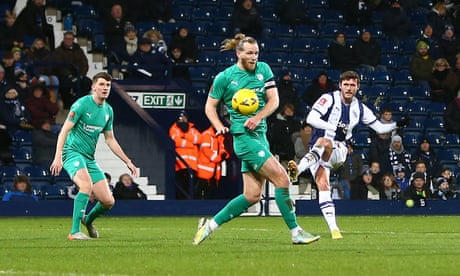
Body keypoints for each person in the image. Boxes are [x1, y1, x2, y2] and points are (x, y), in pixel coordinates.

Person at [193, 33, 320, 245]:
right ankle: (296, 232)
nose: (254, 57)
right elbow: (210, 106)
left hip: (260, 136)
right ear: (238, 53)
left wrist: (257, 117)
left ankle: (209, 226)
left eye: (257, 53)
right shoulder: (225, 77)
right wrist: (218, 126)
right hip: (244, 139)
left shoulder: (264, 70)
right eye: (250, 53)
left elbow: (274, 101)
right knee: (282, 179)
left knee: (252, 196)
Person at [288, 70, 404, 239]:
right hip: (317, 152)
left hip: (340, 149)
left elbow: (379, 128)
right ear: (340, 85)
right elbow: (311, 118)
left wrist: (397, 124)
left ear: (358, 87)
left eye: (353, 85)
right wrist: (332, 127)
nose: (349, 88)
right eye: (346, 84)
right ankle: (334, 229)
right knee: (323, 185)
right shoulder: (329, 99)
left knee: (324, 142)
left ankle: (297, 170)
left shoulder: (360, 108)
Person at [50, 72, 138, 240]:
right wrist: (58, 157)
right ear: (93, 86)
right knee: (85, 186)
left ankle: (88, 221)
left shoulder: (108, 111)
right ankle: (74, 232)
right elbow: (64, 130)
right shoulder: (82, 104)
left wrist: (128, 161)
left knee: (108, 201)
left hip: (89, 158)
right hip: (72, 153)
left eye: (108, 85)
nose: (105, 88)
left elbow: (110, 139)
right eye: (102, 84)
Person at [51, 31, 91, 110]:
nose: (69, 40)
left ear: (73, 40)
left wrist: (81, 75)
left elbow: (84, 64)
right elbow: (59, 66)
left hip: (78, 74)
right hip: (64, 75)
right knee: (66, 84)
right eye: (67, 39)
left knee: (87, 82)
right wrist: (70, 76)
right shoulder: (58, 51)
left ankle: (82, 104)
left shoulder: (79, 50)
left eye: (70, 39)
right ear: (64, 39)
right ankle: (68, 105)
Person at [169, 111, 201, 200]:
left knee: (192, 188)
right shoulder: (174, 129)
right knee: (181, 188)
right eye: (180, 118)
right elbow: (176, 141)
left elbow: (199, 139)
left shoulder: (193, 129)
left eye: (184, 117)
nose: (182, 119)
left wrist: (185, 136)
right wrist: (191, 144)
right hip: (180, 165)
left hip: (192, 165)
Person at [195, 125, 229, 200]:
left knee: (211, 191)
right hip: (204, 169)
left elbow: (222, 148)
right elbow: (205, 150)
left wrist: (224, 155)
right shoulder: (206, 135)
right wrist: (218, 158)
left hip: (215, 171)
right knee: (201, 189)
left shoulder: (220, 136)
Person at [26, 38, 59, 102]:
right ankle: (45, 100)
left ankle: (54, 101)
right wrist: (39, 74)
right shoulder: (31, 54)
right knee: (45, 80)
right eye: (37, 44)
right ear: (34, 45)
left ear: (43, 45)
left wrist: (49, 72)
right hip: (37, 74)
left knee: (55, 80)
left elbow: (50, 64)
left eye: (40, 44)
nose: (39, 46)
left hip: (48, 73)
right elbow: (32, 66)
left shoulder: (48, 53)